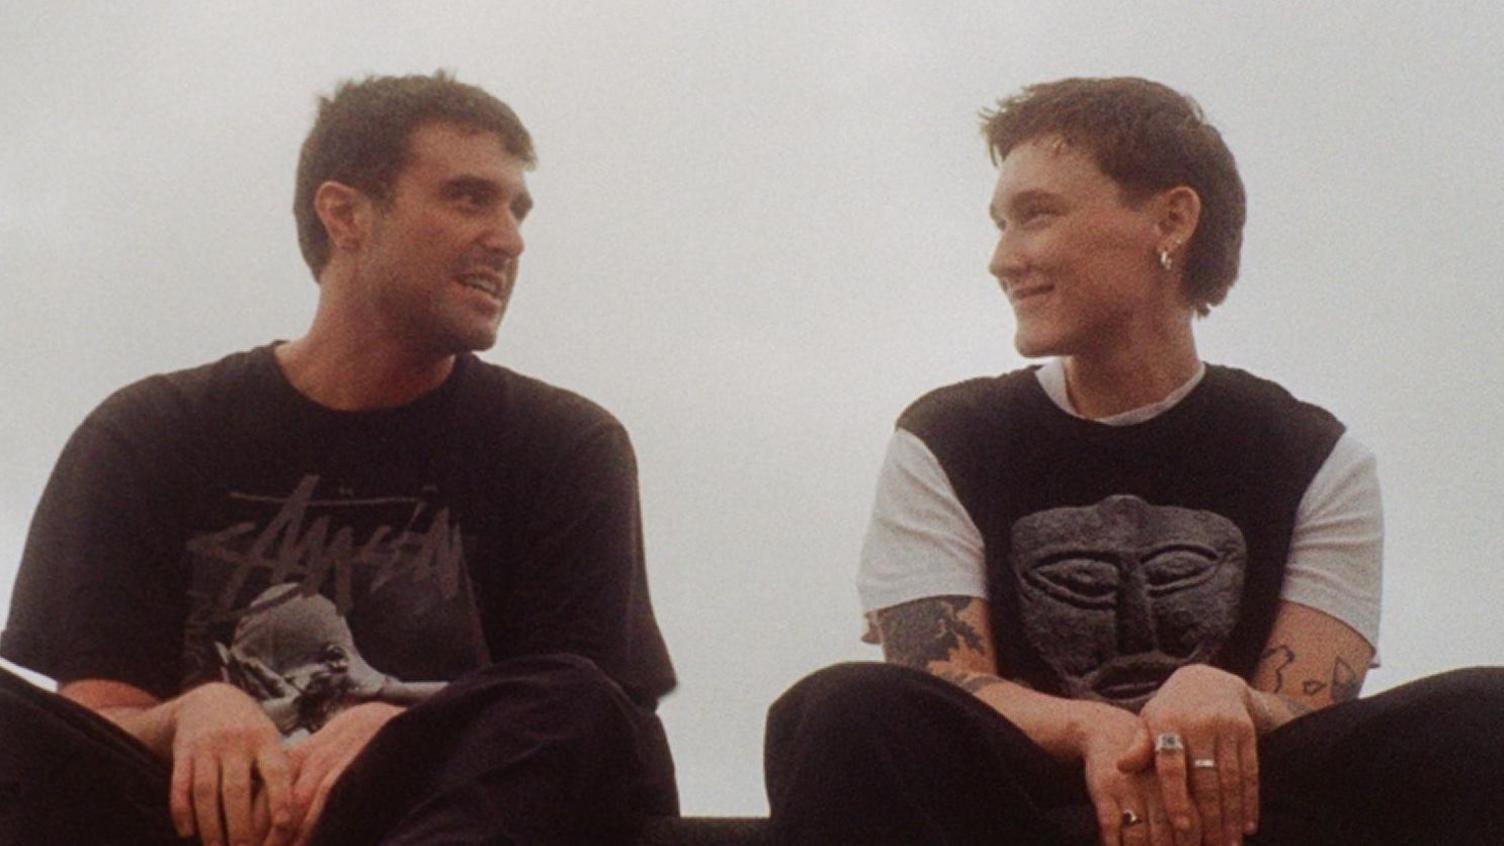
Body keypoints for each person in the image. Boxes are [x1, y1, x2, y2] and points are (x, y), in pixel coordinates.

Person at [764, 77, 1504, 845]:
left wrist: (1230, 699)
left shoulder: (1314, 456)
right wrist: (1087, 728)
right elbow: (933, 683)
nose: (1002, 258)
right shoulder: (947, 439)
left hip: (1239, 812)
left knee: (1485, 718)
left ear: (1172, 219)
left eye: (1036, 215)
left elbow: (1313, 717)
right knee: (844, 709)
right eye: (999, 224)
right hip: (1017, 808)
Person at [0, 71, 677, 845]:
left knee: (592, 709)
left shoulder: (562, 446)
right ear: (345, 213)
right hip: (195, 824)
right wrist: (191, 711)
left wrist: (416, 727)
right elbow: (86, 724)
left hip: (445, 819)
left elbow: (580, 716)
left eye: (516, 208)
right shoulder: (148, 434)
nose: (509, 237)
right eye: (468, 198)